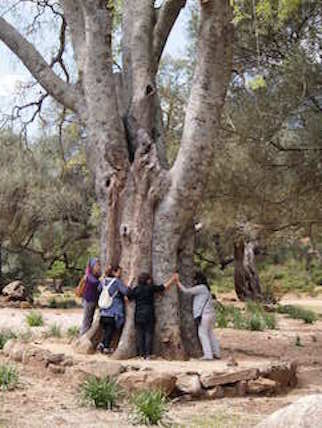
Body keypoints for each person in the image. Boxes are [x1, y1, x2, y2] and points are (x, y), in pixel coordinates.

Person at [127, 272, 176, 359]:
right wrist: (173, 279)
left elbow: (128, 296)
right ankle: (148, 354)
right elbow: (163, 287)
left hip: (138, 315)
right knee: (149, 334)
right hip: (149, 314)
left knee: (140, 335)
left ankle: (141, 354)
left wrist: (130, 281)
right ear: (148, 280)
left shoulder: (136, 289)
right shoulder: (150, 288)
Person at [175, 271, 220, 361]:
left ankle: (208, 355)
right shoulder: (206, 288)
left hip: (204, 314)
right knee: (210, 333)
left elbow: (186, 291)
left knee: (202, 334)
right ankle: (216, 352)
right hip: (210, 313)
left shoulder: (201, 288)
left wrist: (177, 282)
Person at [97, 265, 129, 354]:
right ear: (114, 272)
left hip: (103, 311)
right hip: (113, 312)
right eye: (119, 272)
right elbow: (126, 291)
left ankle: (102, 344)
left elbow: (99, 289)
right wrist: (128, 284)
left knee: (106, 330)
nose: (120, 274)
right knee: (110, 330)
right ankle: (106, 347)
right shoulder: (116, 282)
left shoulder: (103, 281)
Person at [80, 258, 101, 336]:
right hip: (88, 300)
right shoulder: (89, 276)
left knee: (90, 319)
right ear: (92, 266)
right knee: (87, 320)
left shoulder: (95, 276)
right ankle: (83, 336)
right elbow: (96, 283)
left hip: (93, 300)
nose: (98, 267)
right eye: (97, 265)